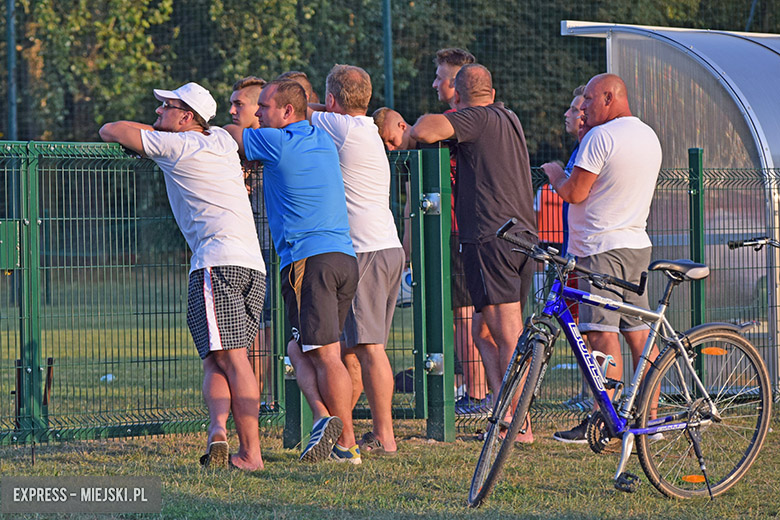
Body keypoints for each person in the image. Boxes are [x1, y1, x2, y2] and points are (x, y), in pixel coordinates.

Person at [99, 82, 266, 471]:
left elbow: (111, 130)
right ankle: (218, 434)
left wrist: (156, 133)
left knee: (230, 360)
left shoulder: (176, 146)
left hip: (216, 263)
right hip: (251, 265)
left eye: (165, 107)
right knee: (220, 358)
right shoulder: (222, 139)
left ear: (187, 117)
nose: (157, 113)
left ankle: (251, 454)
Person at [226, 79, 361, 464]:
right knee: (298, 349)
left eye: (263, 107)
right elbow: (308, 110)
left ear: (286, 113)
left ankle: (345, 443)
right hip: (343, 259)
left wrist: (234, 125)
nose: (256, 114)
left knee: (325, 355)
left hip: (308, 261)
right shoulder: (319, 137)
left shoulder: (278, 142)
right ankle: (325, 422)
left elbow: (233, 135)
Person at [410, 64, 537, 441]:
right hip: (522, 236)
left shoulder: (476, 118)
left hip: (490, 237)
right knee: (484, 332)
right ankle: (504, 414)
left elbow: (423, 130)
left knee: (508, 333)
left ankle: (520, 425)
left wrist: (441, 119)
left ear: (459, 96)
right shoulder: (507, 117)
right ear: (493, 91)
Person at [542, 73, 662, 443]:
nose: (584, 110)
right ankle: (651, 419)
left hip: (599, 249)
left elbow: (575, 192)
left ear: (609, 98)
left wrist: (555, 173)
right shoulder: (647, 134)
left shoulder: (601, 136)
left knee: (600, 334)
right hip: (635, 243)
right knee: (639, 333)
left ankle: (604, 421)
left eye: (589, 102)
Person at [309, 64, 404, 455]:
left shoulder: (341, 128)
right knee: (353, 349)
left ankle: (385, 436)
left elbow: (297, 108)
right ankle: (341, 435)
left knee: (369, 348)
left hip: (366, 249)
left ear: (333, 101)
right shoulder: (364, 128)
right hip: (385, 247)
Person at [224, 76, 274, 405]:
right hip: (241, 252)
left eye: (239, 104)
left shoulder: (271, 142)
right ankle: (254, 401)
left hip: (272, 250)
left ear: (259, 109)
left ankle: (255, 403)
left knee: (263, 330)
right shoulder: (233, 148)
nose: (231, 110)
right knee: (247, 332)